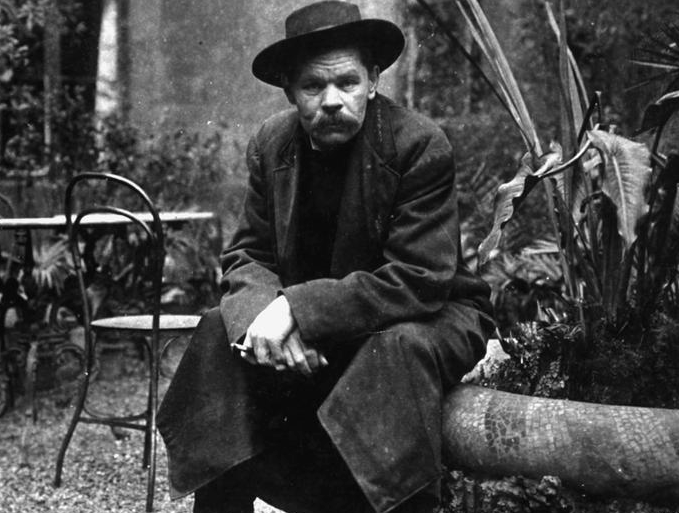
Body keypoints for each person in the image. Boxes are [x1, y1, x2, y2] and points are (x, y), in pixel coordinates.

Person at [156, 2, 494, 512]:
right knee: (219, 328)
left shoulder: (418, 145)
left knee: (395, 350)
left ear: (373, 81)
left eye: (348, 82)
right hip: (317, 319)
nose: (332, 100)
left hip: (428, 314)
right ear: (289, 90)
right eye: (313, 86)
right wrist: (264, 318)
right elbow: (247, 253)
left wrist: (297, 311)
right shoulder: (272, 143)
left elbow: (419, 277)